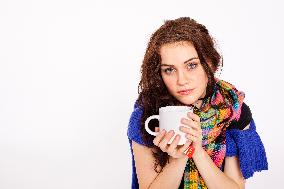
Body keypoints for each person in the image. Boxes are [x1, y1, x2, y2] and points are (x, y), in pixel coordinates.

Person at [127, 17, 268, 189]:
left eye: (191, 65)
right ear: (159, 74)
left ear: (210, 63)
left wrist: (198, 152)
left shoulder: (232, 109)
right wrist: (180, 157)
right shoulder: (147, 115)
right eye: (169, 70)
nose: (182, 80)